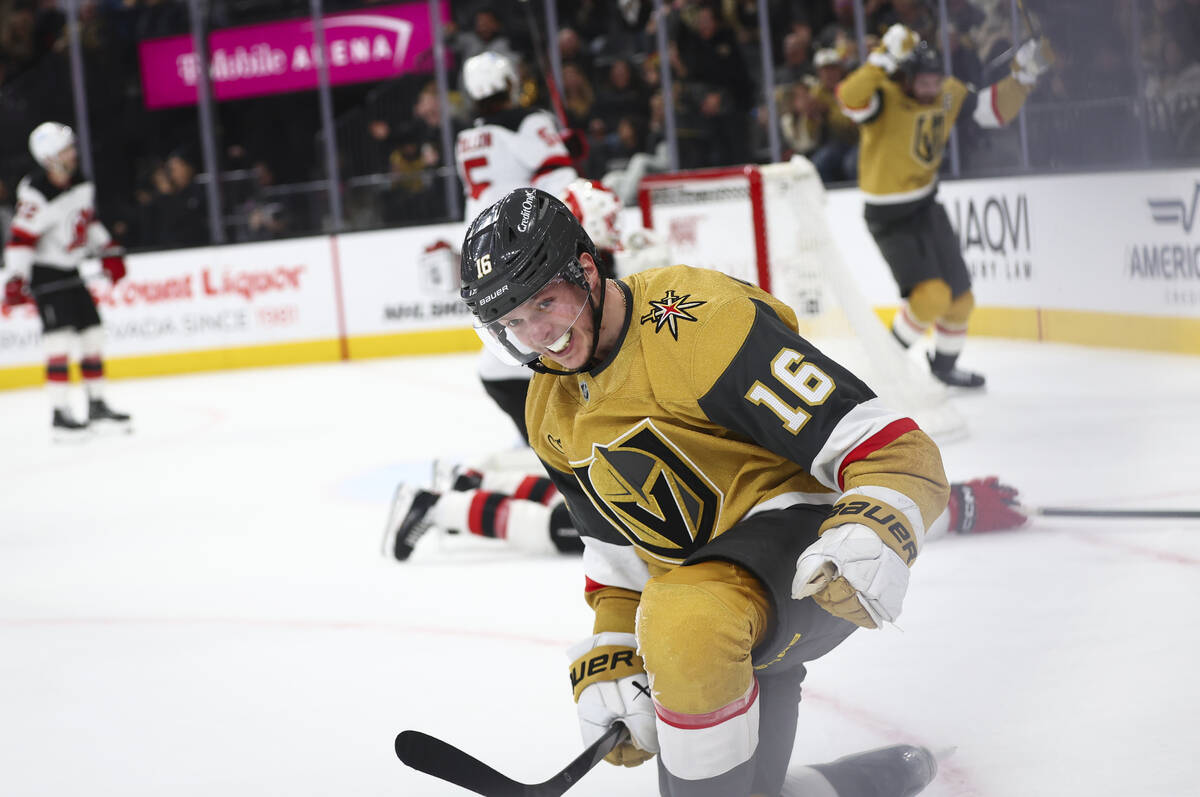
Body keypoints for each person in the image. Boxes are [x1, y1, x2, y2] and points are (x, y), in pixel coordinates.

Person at [444, 187, 952, 796]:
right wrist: (615, 647)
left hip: (807, 568)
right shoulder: (548, 408)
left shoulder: (699, 325)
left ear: (586, 270)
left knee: (684, 622)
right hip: (708, 601)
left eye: (545, 303)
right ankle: (862, 780)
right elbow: (615, 552)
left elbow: (896, 451)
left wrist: (875, 526)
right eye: (513, 323)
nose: (538, 335)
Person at [838, 25, 1053, 388]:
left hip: (926, 205)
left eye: (935, 81)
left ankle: (945, 367)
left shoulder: (947, 93)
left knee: (961, 300)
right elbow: (848, 98)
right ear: (907, 78)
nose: (931, 90)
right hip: (889, 216)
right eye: (923, 83)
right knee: (930, 299)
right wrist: (881, 59)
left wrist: (1024, 77)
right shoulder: (884, 95)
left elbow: (993, 112)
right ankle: (883, 371)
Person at [384, 463, 1028, 562]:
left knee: (586, 497)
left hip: (712, 493)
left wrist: (954, 498)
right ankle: (444, 506)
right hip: (715, 506)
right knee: (575, 523)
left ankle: (472, 485)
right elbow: (875, 504)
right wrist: (958, 504)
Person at [1, 122, 131, 439]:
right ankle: (60, 414)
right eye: (66, 150)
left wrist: (108, 250)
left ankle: (97, 405)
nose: (73, 154)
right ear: (49, 157)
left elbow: (87, 221)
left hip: (71, 270)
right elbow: (21, 240)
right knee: (58, 342)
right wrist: (16, 279)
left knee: (92, 336)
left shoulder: (80, 182)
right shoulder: (36, 193)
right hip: (46, 274)